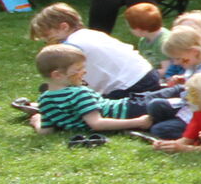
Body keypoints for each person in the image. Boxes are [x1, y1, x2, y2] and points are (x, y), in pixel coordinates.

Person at [26, 1, 158, 96]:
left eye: (47, 36)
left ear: (64, 27)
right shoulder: (91, 34)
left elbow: (70, 81)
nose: (47, 42)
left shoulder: (71, 47)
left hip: (129, 87)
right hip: (148, 74)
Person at [32, 44, 160, 136]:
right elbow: (96, 123)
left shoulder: (45, 100)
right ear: (57, 75)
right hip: (129, 109)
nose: (84, 72)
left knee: (172, 95)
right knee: (174, 99)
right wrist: (137, 122)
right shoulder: (79, 93)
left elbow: (46, 131)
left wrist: (37, 121)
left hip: (131, 104)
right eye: (78, 69)